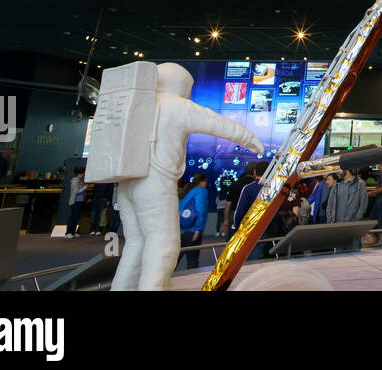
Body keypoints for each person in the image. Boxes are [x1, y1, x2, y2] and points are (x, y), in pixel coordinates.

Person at [108, 64, 263, 291]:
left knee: (136, 244)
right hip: (154, 182)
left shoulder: (137, 105)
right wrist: (250, 139)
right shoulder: (176, 106)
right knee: (163, 247)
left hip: (127, 182)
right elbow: (216, 123)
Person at [233, 162, 273, 259]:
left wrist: (239, 228)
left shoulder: (248, 189)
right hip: (265, 230)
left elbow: (239, 212)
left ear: (255, 172)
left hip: (248, 231)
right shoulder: (272, 189)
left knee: (248, 260)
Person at [178, 173, 209, 270]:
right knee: (192, 260)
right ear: (202, 181)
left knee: (175, 258)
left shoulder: (187, 190)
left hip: (181, 229)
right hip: (193, 230)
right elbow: (200, 210)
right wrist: (198, 228)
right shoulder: (201, 191)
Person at [64, 166, 88, 238]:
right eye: (83, 173)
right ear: (80, 173)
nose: (83, 175)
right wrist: (84, 188)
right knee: (73, 217)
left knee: (76, 218)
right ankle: (68, 233)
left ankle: (73, 232)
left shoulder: (80, 181)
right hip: (75, 202)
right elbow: (76, 192)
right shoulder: (75, 181)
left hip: (79, 201)